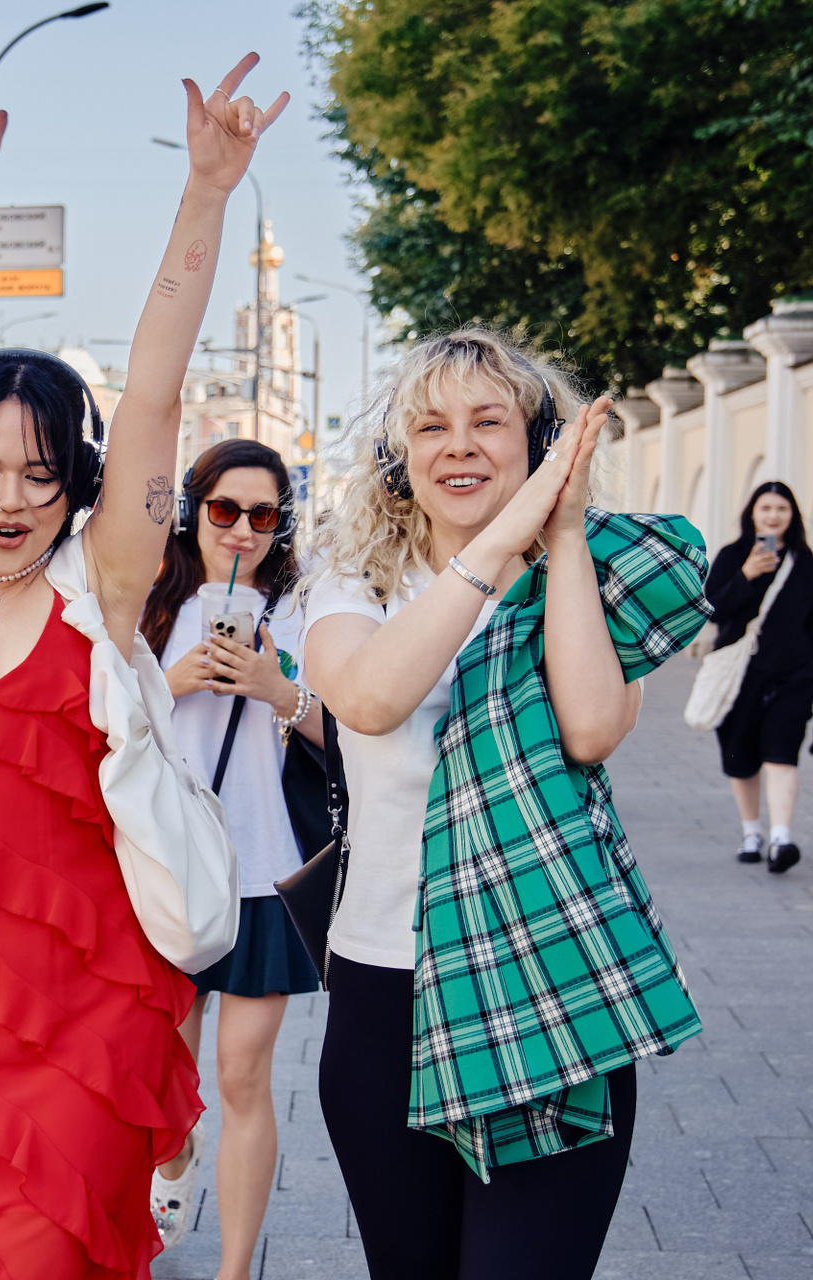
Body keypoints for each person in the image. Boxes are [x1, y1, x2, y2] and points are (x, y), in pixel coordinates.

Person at [0, 60, 286, 1278]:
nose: (11, 499)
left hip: (87, 1021)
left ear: (72, 485)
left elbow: (153, 398)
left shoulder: (103, 588)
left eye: (40, 474)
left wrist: (206, 194)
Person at [302, 327, 708, 1279]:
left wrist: (558, 536)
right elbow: (366, 699)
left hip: (545, 978)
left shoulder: (588, 576)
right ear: (399, 457)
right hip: (386, 993)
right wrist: (494, 544)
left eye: (488, 421)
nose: (460, 446)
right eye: (431, 426)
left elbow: (592, 728)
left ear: (540, 442)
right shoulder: (357, 584)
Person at [141, 439, 323, 1270]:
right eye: (224, 509)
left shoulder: (302, 611)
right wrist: (170, 681)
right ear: (193, 511)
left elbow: (348, 730)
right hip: (170, 868)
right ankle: (174, 1159)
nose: (242, 529)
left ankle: (235, 1267)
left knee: (243, 1076)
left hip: (263, 868)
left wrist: (277, 688)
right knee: (166, 1076)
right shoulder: (148, 603)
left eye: (263, 514)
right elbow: (96, 721)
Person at [704, 481, 813, 874]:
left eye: (781, 508)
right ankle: (751, 832)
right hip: (739, 678)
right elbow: (713, 610)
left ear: (792, 515)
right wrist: (746, 574)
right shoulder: (732, 556)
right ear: (752, 514)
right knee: (740, 759)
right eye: (766, 508)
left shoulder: (802, 561)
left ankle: (781, 838)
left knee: (782, 755)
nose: (774, 516)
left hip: (793, 678)